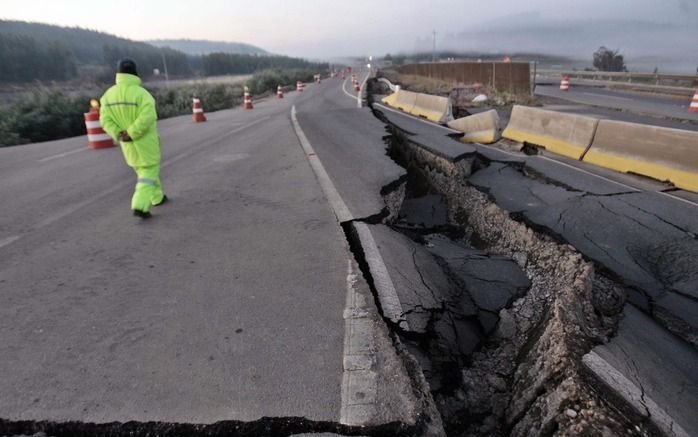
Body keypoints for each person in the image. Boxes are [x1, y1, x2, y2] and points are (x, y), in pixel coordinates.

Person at [100, 58, 167, 219]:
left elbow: (104, 120)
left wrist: (119, 133)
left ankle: (157, 197)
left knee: (144, 172)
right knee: (149, 171)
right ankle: (139, 205)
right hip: (145, 143)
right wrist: (132, 132)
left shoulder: (108, 96)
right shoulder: (142, 94)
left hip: (128, 146)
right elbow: (148, 116)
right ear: (135, 73)